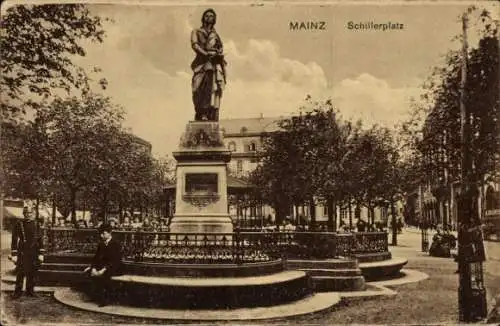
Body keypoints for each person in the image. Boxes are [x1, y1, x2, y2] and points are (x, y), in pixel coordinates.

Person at [191, 8, 226, 121]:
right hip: (200, 64)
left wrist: (218, 54)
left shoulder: (216, 35)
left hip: (212, 64)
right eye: (206, 15)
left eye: (211, 16)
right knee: (196, 89)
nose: (209, 17)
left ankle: (205, 113)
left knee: (210, 89)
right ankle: (199, 111)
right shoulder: (196, 31)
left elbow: (220, 48)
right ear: (203, 18)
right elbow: (195, 45)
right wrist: (205, 54)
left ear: (214, 19)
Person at [83, 223, 123, 307]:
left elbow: (116, 261)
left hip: (114, 267)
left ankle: (104, 299)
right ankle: (93, 295)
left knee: (105, 275)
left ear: (109, 233)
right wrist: (93, 268)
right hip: (102, 266)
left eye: (104, 233)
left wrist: (103, 269)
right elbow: (96, 258)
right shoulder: (101, 244)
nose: (102, 236)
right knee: (88, 272)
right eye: (101, 234)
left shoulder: (116, 244)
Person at [9, 207, 45, 298]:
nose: (28, 214)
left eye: (30, 213)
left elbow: (40, 239)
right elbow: (14, 239)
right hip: (22, 251)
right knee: (20, 271)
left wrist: (41, 253)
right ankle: (17, 292)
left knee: (32, 272)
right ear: (24, 214)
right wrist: (14, 254)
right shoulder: (19, 224)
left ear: (33, 214)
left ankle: (30, 291)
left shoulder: (37, 224)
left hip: (34, 251)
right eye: (26, 213)